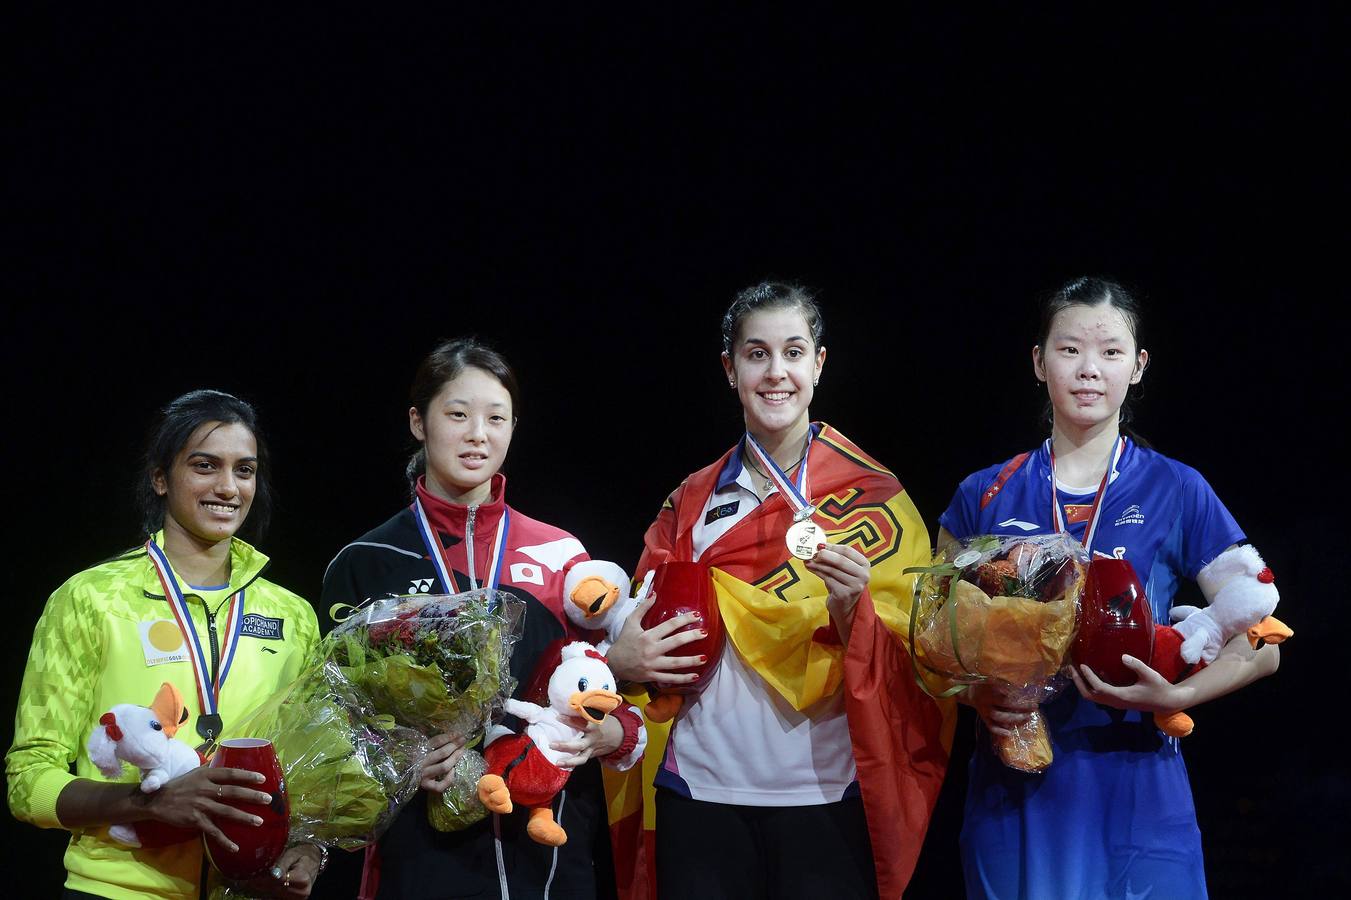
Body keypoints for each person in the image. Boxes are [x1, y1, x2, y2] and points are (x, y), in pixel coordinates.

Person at [604, 282, 955, 900]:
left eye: (793, 352)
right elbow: (641, 625)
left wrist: (856, 615)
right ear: (729, 368)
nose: (776, 373)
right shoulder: (691, 500)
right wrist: (620, 662)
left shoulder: (877, 498)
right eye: (756, 353)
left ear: (819, 364)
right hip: (699, 789)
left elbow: (925, 656)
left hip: (824, 793)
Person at [938, 277, 1282, 899]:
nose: (1089, 370)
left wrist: (1176, 692)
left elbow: (1265, 639)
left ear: (1139, 366)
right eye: (1069, 350)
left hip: (1138, 793)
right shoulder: (982, 493)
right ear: (1039, 362)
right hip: (1016, 785)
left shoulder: (1176, 488)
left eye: (1110, 352)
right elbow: (931, 643)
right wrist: (978, 699)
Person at [317, 338, 645, 900]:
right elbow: (333, 717)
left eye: (497, 418)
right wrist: (403, 763)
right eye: (458, 415)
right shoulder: (365, 563)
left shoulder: (564, 555)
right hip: (420, 850)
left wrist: (612, 731)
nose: (478, 434)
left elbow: (609, 697)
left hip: (548, 845)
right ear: (418, 422)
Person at [6, 390, 323, 900]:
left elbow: (311, 765)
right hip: (115, 889)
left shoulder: (292, 615)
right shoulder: (91, 599)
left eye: (245, 470)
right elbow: (28, 780)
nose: (228, 487)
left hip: (248, 889)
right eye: (204, 466)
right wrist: (146, 803)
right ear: (160, 478)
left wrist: (309, 846)